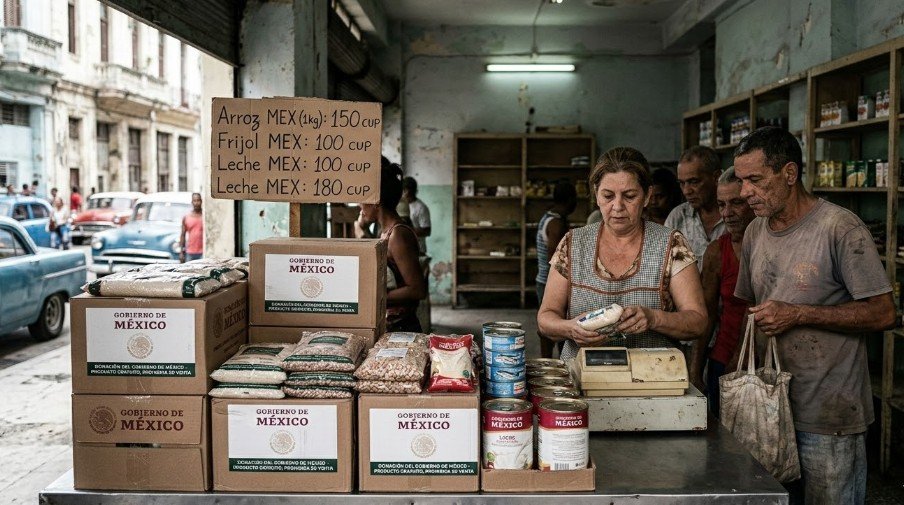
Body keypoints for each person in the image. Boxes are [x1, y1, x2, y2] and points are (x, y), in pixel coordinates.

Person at [732, 126, 895, 504]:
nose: (744, 193)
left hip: (828, 413)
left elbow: (884, 313)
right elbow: (749, 311)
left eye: (755, 180)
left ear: (789, 174)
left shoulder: (839, 227)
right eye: (741, 181)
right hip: (769, 406)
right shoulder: (756, 231)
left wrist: (799, 313)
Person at [537, 146, 707, 359]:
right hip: (581, 378)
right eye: (608, 196)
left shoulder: (672, 245)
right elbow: (545, 318)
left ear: (646, 197)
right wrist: (570, 328)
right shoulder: (573, 244)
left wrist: (654, 318)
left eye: (629, 196)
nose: (617, 206)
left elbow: (698, 321)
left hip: (653, 379)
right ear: (596, 195)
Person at [689, 167, 755, 412]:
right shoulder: (717, 251)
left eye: (737, 203)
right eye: (721, 205)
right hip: (722, 360)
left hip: (763, 365)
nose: (727, 213)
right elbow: (705, 313)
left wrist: (742, 356)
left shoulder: (771, 246)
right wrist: (695, 370)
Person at [358, 158, 426, 332]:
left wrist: (377, 296)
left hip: (402, 327)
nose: (360, 206)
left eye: (362, 200)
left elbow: (417, 290)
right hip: (391, 324)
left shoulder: (398, 234)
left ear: (376, 201)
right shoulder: (385, 231)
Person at [536, 180, 577, 358]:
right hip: (549, 282)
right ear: (570, 200)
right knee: (554, 327)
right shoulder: (556, 223)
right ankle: (551, 364)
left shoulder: (548, 216)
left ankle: (557, 362)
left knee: (556, 326)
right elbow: (556, 259)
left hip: (542, 280)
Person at [665, 146, 726, 266]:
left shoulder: (735, 215)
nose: (686, 191)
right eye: (682, 183)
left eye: (694, 182)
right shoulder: (677, 217)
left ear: (716, 177)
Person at [401, 176, 431, 255]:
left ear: (408, 191)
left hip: (417, 250)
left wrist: (406, 231)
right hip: (403, 248)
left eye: (404, 190)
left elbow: (427, 231)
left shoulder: (421, 207)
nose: (402, 193)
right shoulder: (400, 205)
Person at [179, 193, 204, 262]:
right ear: (192, 202)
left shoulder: (205, 217)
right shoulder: (186, 217)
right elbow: (183, 235)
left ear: (201, 201)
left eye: (198, 200)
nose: (196, 203)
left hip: (203, 252)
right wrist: (181, 252)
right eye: (194, 201)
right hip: (190, 252)